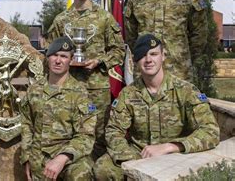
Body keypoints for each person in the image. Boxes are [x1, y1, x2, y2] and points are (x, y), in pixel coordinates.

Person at [94, 34, 220, 180]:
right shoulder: (128, 94)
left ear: (163, 56)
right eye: (143, 55)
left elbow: (210, 130)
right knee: (102, 168)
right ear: (135, 60)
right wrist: (133, 160)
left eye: (154, 54)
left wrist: (171, 146)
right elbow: (114, 131)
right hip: (138, 153)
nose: (148, 60)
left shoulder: (185, 91)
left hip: (175, 155)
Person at [47, 0, 125, 160]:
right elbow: (50, 52)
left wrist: (100, 61)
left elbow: (119, 50)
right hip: (68, 86)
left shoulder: (104, 18)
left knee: (99, 135)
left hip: (96, 87)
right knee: (68, 130)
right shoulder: (61, 20)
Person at [20, 37, 97, 180]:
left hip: (69, 159)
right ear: (48, 58)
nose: (58, 60)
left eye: (64, 56)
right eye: (54, 55)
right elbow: (26, 125)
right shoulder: (34, 90)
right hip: (39, 158)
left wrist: (62, 158)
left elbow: (86, 135)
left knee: (82, 172)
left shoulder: (80, 93)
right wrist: (26, 157)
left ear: (71, 60)